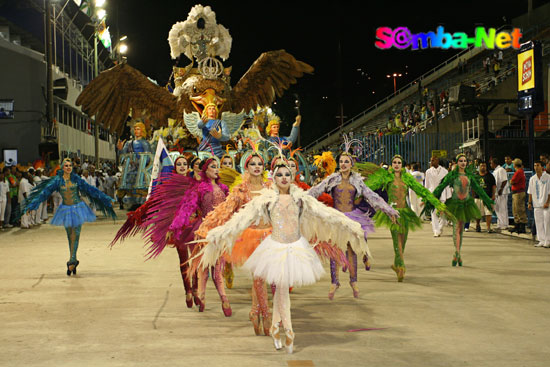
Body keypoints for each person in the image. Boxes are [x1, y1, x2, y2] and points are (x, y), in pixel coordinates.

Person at [197, 161, 369, 354]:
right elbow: (240, 220)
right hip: (274, 248)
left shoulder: (301, 199)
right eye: (279, 175)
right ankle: (287, 330)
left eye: (287, 174)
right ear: (274, 178)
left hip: (294, 248)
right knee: (280, 291)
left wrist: (351, 225)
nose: (284, 178)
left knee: (281, 290)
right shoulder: (265, 200)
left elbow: (326, 214)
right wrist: (219, 233)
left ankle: (277, 328)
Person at [194, 150, 272, 334]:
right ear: (247, 167)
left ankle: (255, 311)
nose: (256, 167)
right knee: (258, 277)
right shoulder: (241, 190)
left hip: (269, 235)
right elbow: (226, 210)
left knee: (262, 279)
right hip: (251, 238)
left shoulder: (271, 188)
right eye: (252, 164)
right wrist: (210, 225)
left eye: (259, 164)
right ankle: (264, 313)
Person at [308, 147, 398, 299]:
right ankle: (334, 281)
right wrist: (298, 198)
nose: (343, 164)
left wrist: (389, 210)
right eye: (341, 161)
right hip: (335, 218)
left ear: (351, 165)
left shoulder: (358, 181)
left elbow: (372, 196)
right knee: (334, 249)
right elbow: (315, 191)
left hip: (352, 219)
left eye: (346, 162)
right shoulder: (332, 179)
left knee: (351, 249)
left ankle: (353, 280)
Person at [365, 155, 453, 281]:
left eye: (399, 162)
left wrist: (437, 203)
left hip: (405, 213)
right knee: (397, 242)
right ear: (391, 164)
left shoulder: (407, 179)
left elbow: (423, 191)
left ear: (402, 165)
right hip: (392, 214)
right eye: (394, 162)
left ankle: (396, 265)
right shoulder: (386, 178)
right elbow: (369, 187)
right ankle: (401, 267)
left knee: (403, 241)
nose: (396, 164)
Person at [20, 159, 116, 275]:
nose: (68, 167)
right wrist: (32, 205)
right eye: (66, 166)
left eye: (70, 165)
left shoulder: (77, 180)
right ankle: (73, 260)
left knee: (75, 235)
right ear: (62, 168)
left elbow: (91, 190)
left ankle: (72, 259)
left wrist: (107, 199)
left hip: (77, 209)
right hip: (65, 210)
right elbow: (44, 193)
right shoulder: (58, 181)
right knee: (69, 236)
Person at [164, 158, 231, 315]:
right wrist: (173, 226)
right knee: (194, 265)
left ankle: (216, 297)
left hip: (216, 230)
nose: (217, 169)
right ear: (206, 170)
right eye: (213, 167)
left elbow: (231, 207)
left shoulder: (222, 188)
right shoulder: (195, 188)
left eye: (218, 167)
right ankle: (195, 293)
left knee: (212, 267)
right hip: (196, 230)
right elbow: (185, 209)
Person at [427, 154, 493, 266]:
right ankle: (457, 253)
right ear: (457, 163)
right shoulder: (452, 175)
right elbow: (441, 187)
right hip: (455, 204)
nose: (463, 162)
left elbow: (479, 189)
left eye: (465, 161)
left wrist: (488, 201)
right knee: (456, 229)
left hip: (466, 204)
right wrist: (429, 199)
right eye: (461, 161)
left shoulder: (470, 176)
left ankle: (458, 252)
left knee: (460, 230)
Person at [425, 156, 451, 237]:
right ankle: (436, 230)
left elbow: (447, 184)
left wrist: (448, 195)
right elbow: (427, 184)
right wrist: (427, 195)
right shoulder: (428, 171)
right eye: (431, 161)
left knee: (442, 213)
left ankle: (440, 226)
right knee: (433, 213)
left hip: (442, 193)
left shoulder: (445, 171)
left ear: (437, 161)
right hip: (433, 193)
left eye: (433, 160)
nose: (431, 162)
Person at [528, 161, 550, 247]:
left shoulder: (548, 177)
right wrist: (530, 202)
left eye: (538, 165)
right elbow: (530, 192)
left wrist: (547, 202)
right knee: (539, 223)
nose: (536, 167)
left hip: (546, 204)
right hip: (536, 204)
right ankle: (541, 240)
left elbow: (549, 191)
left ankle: (548, 240)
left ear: (542, 167)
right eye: (535, 165)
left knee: (547, 223)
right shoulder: (532, 179)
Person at [474, 161, 496, 233]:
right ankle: (477, 225)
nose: (483, 167)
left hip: (487, 197)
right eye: (481, 166)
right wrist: (473, 196)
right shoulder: (476, 176)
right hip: (478, 197)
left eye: (484, 166)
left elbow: (494, 186)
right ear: (479, 167)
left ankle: (488, 227)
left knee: (488, 213)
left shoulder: (490, 176)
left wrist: (493, 195)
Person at [491, 158, 510, 231]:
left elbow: (504, 180)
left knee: (502, 208)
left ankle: (504, 224)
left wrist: (501, 189)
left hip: (502, 192)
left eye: (491, 163)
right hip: (497, 192)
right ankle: (500, 224)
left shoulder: (501, 170)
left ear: (494, 163)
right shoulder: (495, 171)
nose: (491, 165)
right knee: (497, 208)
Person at [510, 159, 527, 234]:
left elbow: (512, 181)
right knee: (515, 209)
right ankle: (517, 224)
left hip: (518, 192)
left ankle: (522, 225)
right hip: (517, 192)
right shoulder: (520, 171)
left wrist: (511, 181)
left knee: (519, 209)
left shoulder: (518, 172)